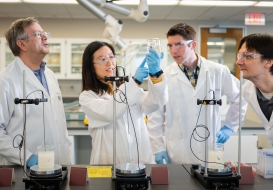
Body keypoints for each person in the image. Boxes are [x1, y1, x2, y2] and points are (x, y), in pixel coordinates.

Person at [147, 23, 247, 164]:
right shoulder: (165, 76)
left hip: (210, 149)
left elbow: (240, 97)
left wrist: (230, 126)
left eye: (178, 44)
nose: (173, 50)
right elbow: (155, 115)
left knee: (210, 184)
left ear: (192, 45)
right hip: (178, 152)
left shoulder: (218, 71)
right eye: (170, 46)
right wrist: (157, 148)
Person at [79, 41, 168, 165]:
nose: (110, 63)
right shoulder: (87, 97)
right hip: (108, 164)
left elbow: (155, 103)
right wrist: (135, 81)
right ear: (90, 66)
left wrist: (156, 74)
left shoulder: (130, 89)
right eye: (103, 59)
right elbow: (110, 113)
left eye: (111, 57)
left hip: (139, 162)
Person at [0, 17, 72, 167]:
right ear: (22, 44)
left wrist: (66, 157)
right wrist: (27, 157)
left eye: (44, 33)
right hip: (24, 169)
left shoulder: (50, 75)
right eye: (38, 34)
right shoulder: (6, 81)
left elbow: (59, 123)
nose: (45, 37)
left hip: (59, 166)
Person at [236, 33, 273, 148]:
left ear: (268, 62)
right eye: (239, 56)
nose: (239, 62)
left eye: (247, 56)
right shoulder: (248, 90)